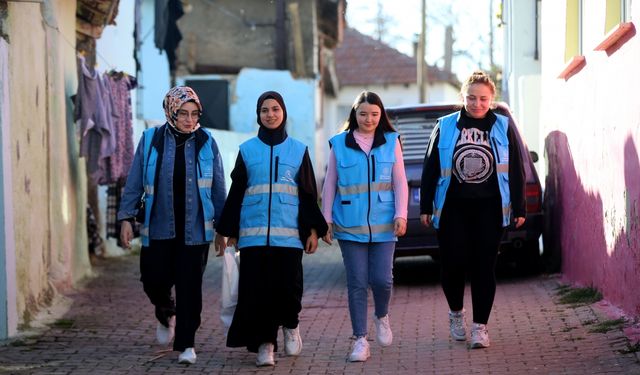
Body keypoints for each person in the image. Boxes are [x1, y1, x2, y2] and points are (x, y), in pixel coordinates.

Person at [214, 91, 328, 367]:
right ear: (258, 115)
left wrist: (313, 230)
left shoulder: (299, 150)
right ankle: (266, 345)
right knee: (258, 293)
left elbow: (307, 195)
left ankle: (291, 324)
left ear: (283, 112)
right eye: (264, 110)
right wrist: (225, 230)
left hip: (288, 238)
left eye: (275, 109)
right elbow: (237, 192)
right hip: (253, 237)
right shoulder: (247, 150)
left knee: (289, 290)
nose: (270, 114)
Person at [117, 86, 226, 365]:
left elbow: (217, 188)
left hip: (196, 229)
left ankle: (187, 343)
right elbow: (134, 182)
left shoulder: (206, 141)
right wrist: (126, 218)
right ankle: (166, 312)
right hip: (158, 225)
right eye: (183, 114)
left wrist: (223, 229)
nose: (189, 120)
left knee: (190, 287)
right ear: (171, 112)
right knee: (153, 279)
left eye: (194, 114)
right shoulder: (151, 139)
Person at [419, 71, 526, 349]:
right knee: (452, 265)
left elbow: (515, 168)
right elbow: (430, 168)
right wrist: (426, 205)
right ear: (462, 97)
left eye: (483, 99)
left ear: (491, 99)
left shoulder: (503, 126)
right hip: (453, 207)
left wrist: (519, 206)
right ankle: (456, 313)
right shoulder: (445, 126)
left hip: (490, 209)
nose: (477, 103)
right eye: (471, 97)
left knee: (483, 267)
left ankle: (480, 327)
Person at [321, 91, 408, 362]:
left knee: (382, 280)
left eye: (374, 114)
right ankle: (360, 339)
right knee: (357, 282)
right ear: (354, 114)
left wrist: (401, 214)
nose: (368, 119)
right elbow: (330, 184)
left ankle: (382, 316)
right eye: (363, 114)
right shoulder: (339, 143)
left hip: (384, 223)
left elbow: (400, 182)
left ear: (381, 115)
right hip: (349, 223)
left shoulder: (391, 142)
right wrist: (326, 219)